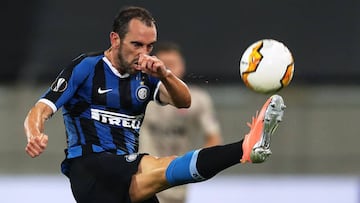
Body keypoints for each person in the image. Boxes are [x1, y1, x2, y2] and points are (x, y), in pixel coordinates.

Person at [23, 6, 286, 203]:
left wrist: (165, 74)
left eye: (149, 46)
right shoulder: (87, 68)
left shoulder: (146, 76)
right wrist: (35, 133)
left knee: (163, 169)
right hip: (91, 169)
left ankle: (244, 149)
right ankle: (244, 147)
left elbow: (184, 101)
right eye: (136, 44)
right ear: (115, 39)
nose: (143, 53)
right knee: (163, 167)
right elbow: (41, 108)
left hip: (124, 174)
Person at [139, 41, 223, 203]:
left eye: (173, 65)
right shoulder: (141, 95)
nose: (168, 70)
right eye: (164, 65)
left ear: (182, 66)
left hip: (177, 183)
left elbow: (213, 137)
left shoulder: (198, 99)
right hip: (145, 180)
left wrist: (196, 165)